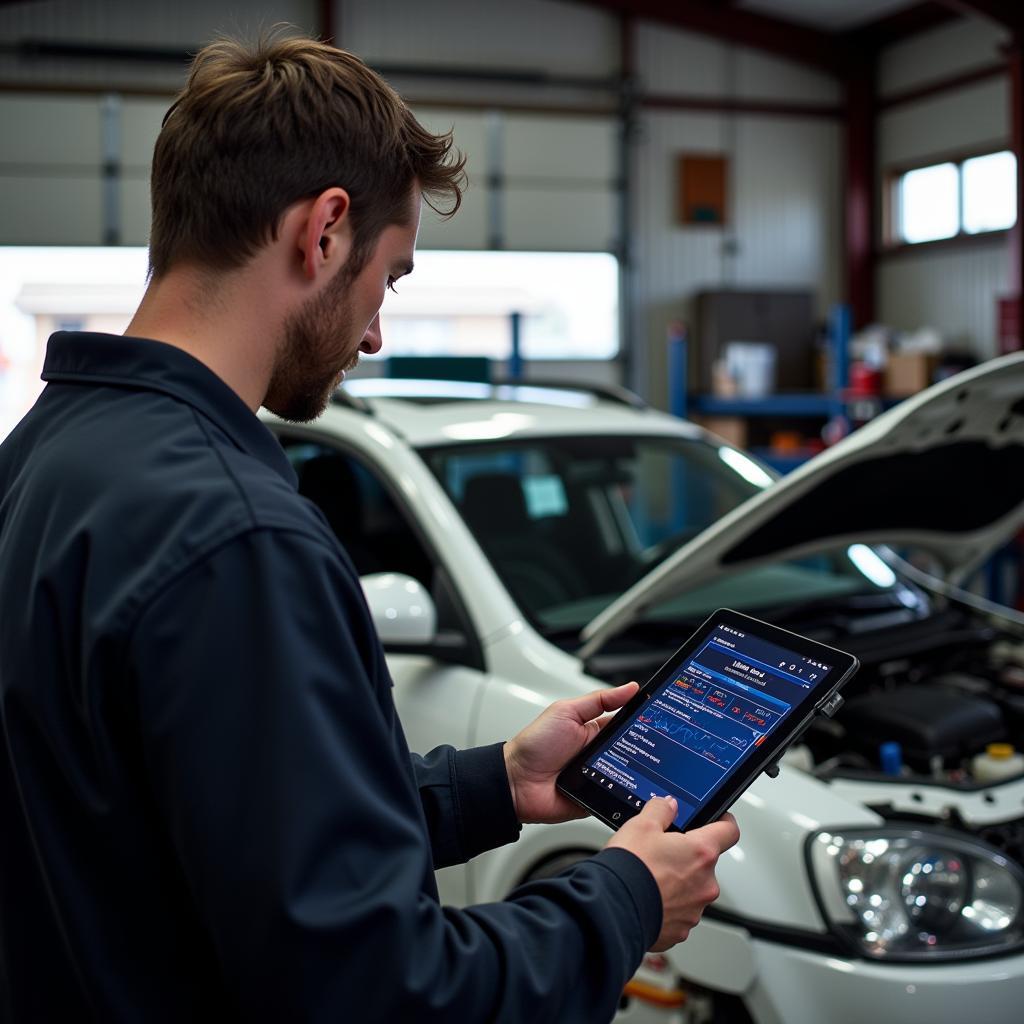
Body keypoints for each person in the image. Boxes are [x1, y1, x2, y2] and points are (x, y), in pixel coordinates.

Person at [0, 34, 739, 1023]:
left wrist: (494, 783)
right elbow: (380, 992)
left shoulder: (48, 454)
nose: (378, 331)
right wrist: (625, 896)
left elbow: (206, 821)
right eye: (390, 277)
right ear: (325, 232)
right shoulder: (239, 538)